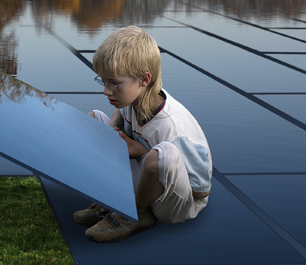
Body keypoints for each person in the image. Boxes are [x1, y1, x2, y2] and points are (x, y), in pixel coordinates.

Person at [74, 25, 212, 243]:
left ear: (144, 80)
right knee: (93, 120)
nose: (106, 91)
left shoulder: (172, 127)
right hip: (147, 177)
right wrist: (113, 132)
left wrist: (142, 154)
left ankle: (134, 213)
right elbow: (120, 113)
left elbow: (201, 190)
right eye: (103, 81)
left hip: (175, 203)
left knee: (163, 153)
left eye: (114, 84)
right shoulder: (132, 99)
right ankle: (119, 198)